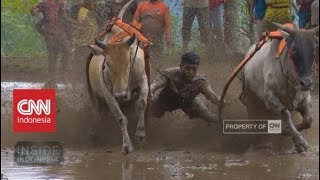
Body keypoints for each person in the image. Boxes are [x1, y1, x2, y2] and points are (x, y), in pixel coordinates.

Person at [150, 52, 225, 125]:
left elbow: (211, 94)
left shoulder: (200, 81)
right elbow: (154, 86)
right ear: (181, 66)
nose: (190, 72)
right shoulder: (170, 73)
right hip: (165, 100)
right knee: (149, 112)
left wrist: (219, 100)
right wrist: (150, 92)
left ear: (197, 68)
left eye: (194, 69)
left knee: (211, 117)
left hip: (187, 102)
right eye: (187, 68)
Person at [30, 0, 76, 86]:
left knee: (68, 51)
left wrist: (77, 23)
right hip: (50, 35)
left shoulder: (59, 4)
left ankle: (64, 74)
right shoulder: (44, 3)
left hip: (60, 34)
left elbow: (65, 17)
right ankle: (51, 79)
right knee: (52, 57)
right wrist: (34, 10)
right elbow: (33, 12)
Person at [134, 0, 173, 65]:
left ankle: (156, 73)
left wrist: (168, 39)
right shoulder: (142, 5)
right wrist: (137, 34)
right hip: (142, 39)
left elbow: (167, 25)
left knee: (157, 61)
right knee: (140, 60)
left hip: (157, 40)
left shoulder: (164, 7)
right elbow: (135, 22)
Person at [70, 0, 99, 82]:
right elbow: (82, 26)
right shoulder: (83, 12)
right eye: (91, 2)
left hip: (88, 41)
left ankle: (80, 78)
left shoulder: (89, 12)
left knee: (83, 60)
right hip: (83, 42)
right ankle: (77, 79)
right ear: (86, 3)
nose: (93, 4)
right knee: (81, 60)